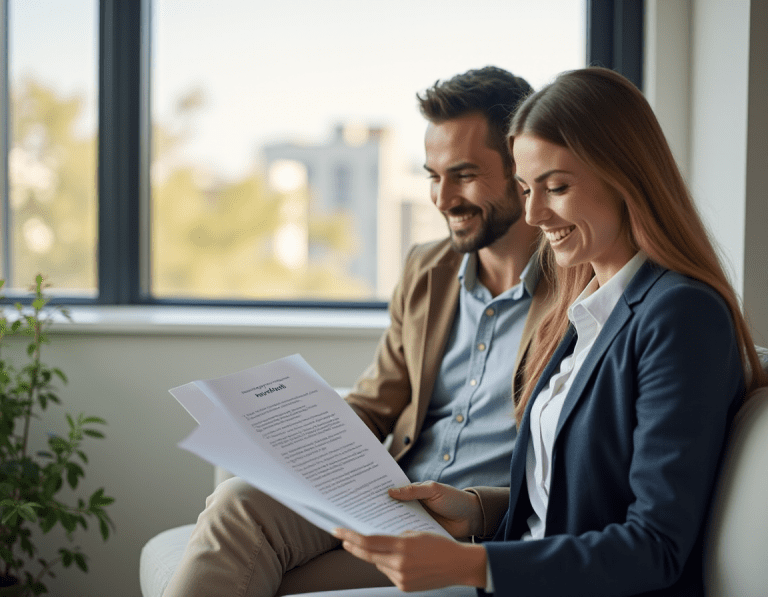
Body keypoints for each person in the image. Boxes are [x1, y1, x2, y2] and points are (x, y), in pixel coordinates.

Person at [334, 67, 768, 596]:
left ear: (625, 177)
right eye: (524, 188)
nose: (534, 213)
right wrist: (475, 510)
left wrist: (474, 567)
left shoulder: (680, 315)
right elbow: (565, 501)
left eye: (556, 187)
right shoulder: (581, 304)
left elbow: (655, 546)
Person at [163, 66, 547, 597]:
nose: (442, 198)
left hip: (474, 527)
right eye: (433, 176)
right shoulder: (428, 269)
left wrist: (482, 507)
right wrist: (292, 435)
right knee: (238, 502)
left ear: (521, 168)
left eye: (463, 174)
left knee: (261, 573)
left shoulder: (576, 286)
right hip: (390, 496)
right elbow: (377, 402)